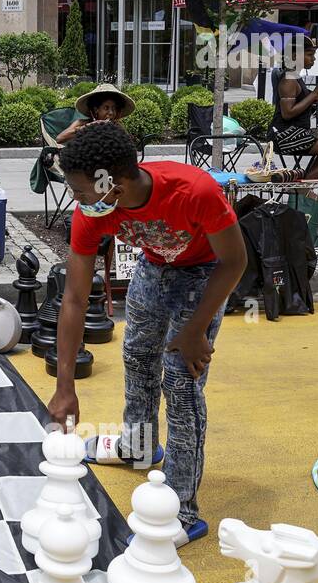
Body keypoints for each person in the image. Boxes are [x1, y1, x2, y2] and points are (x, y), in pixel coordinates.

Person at [48, 123, 246, 547]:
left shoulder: (195, 190)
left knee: (181, 382)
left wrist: (196, 330)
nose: (77, 201)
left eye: (82, 192)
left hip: (205, 274)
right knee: (136, 355)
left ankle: (181, 508)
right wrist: (65, 386)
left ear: (112, 183)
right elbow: (74, 300)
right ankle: (138, 447)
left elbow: (235, 261)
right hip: (155, 267)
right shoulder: (92, 212)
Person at [270, 37, 318, 181]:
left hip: (296, 132)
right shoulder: (289, 79)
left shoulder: (295, 76)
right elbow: (287, 113)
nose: (314, 59)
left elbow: (303, 99)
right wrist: (315, 94)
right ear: (296, 56)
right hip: (284, 136)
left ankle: (303, 182)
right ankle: (303, 185)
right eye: (310, 54)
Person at [57, 82, 135, 144]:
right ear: (96, 109)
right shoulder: (81, 123)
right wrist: (91, 126)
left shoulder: (117, 126)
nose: (111, 112)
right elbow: (59, 139)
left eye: (114, 108)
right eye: (106, 108)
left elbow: (128, 144)